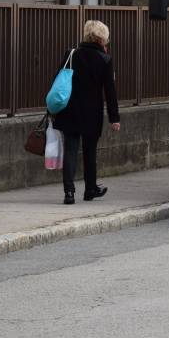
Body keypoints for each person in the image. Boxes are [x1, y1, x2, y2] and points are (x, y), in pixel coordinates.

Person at [52, 19, 121, 205]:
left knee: (70, 150)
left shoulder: (72, 54)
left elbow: (59, 79)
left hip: (69, 110)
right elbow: (110, 90)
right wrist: (114, 117)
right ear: (101, 39)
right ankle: (90, 189)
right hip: (92, 112)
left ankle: (69, 192)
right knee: (90, 151)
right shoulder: (105, 60)